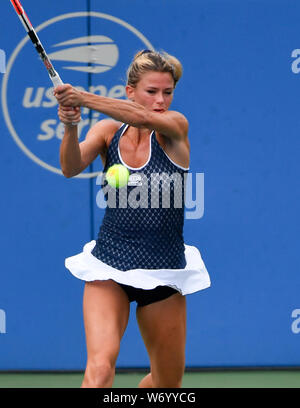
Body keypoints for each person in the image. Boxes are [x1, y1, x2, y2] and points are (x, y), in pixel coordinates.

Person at [55, 50, 210, 388]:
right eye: (151, 92)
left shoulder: (175, 127)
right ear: (130, 90)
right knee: (98, 369)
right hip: (110, 264)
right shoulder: (108, 131)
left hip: (164, 270)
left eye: (167, 92)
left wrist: (82, 96)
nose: (161, 100)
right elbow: (69, 167)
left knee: (166, 385)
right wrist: (70, 126)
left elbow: (143, 119)